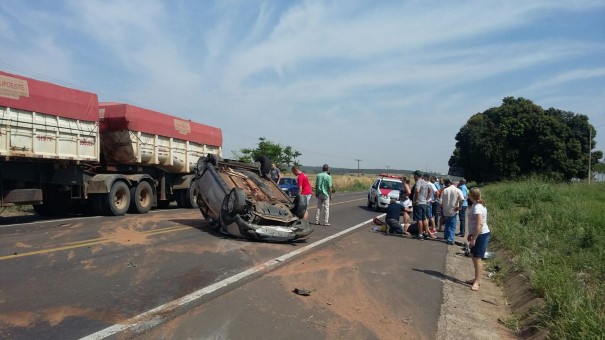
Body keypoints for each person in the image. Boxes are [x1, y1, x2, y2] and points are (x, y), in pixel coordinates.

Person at [466, 187, 491, 291]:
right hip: (476, 234)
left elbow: (479, 224)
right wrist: (470, 234)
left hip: (481, 235)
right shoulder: (476, 205)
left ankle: (477, 281)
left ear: (471, 196)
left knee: (477, 258)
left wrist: (474, 238)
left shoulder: (477, 207)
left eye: (469, 195)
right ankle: (476, 278)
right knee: (473, 256)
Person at [412, 170, 436, 240]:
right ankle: (425, 233)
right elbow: (430, 191)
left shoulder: (418, 182)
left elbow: (417, 190)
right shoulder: (425, 182)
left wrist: (416, 200)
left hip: (419, 202)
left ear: (416, 176)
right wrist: (426, 198)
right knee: (424, 218)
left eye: (414, 175)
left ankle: (420, 234)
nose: (413, 177)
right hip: (424, 203)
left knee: (419, 219)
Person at [440, 178, 464, 245]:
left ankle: (446, 235)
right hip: (454, 209)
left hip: (446, 209)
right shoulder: (458, 190)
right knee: (452, 225)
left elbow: (440, 201)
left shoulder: (445, 190)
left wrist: (442, 207)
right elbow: (462, 199)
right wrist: (459, 207)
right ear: (457, 184)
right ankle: (450, 239)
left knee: (447, 224)